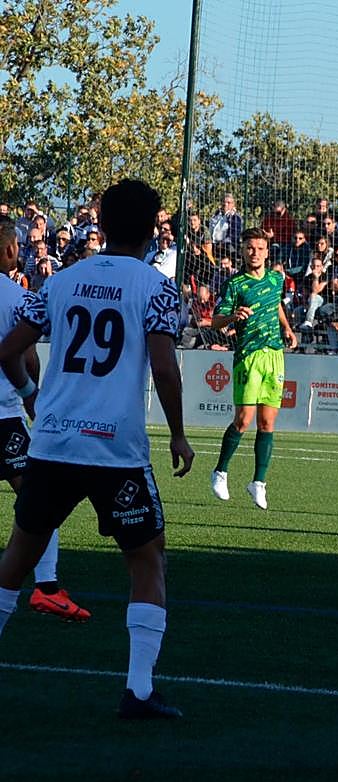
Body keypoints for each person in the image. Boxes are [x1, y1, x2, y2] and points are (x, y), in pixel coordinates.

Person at [0, 178, 195, 718]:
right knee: (147, 558)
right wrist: (178, 432)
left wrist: (33, 396)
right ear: (153, 227)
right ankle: (137, 691)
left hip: (54, 442)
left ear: (101, 224)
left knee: (18, 558)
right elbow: (163, 367)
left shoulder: (62, 281)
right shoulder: (155, 288)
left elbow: (9, 352)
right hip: (113, 450)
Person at [0, 220, 91, 620]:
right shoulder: (14, 297)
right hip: (4, 417)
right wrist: (32, 395)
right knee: (39, 501)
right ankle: (47, 585)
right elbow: (27, 354)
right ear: (9, 251)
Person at [210, 228, 299, 510]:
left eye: (260, 248)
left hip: (274, 354)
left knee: (267, 422)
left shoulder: (276, 279)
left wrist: (287, 329)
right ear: (243, 250)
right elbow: (214, 321)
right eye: (250, 248)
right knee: (244, 419)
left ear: (267, 251)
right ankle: (220, 471)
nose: (255, 253)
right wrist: (233, 316)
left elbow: (277, 307)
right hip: (248, 356)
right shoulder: (235, 284)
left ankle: (258, 482)